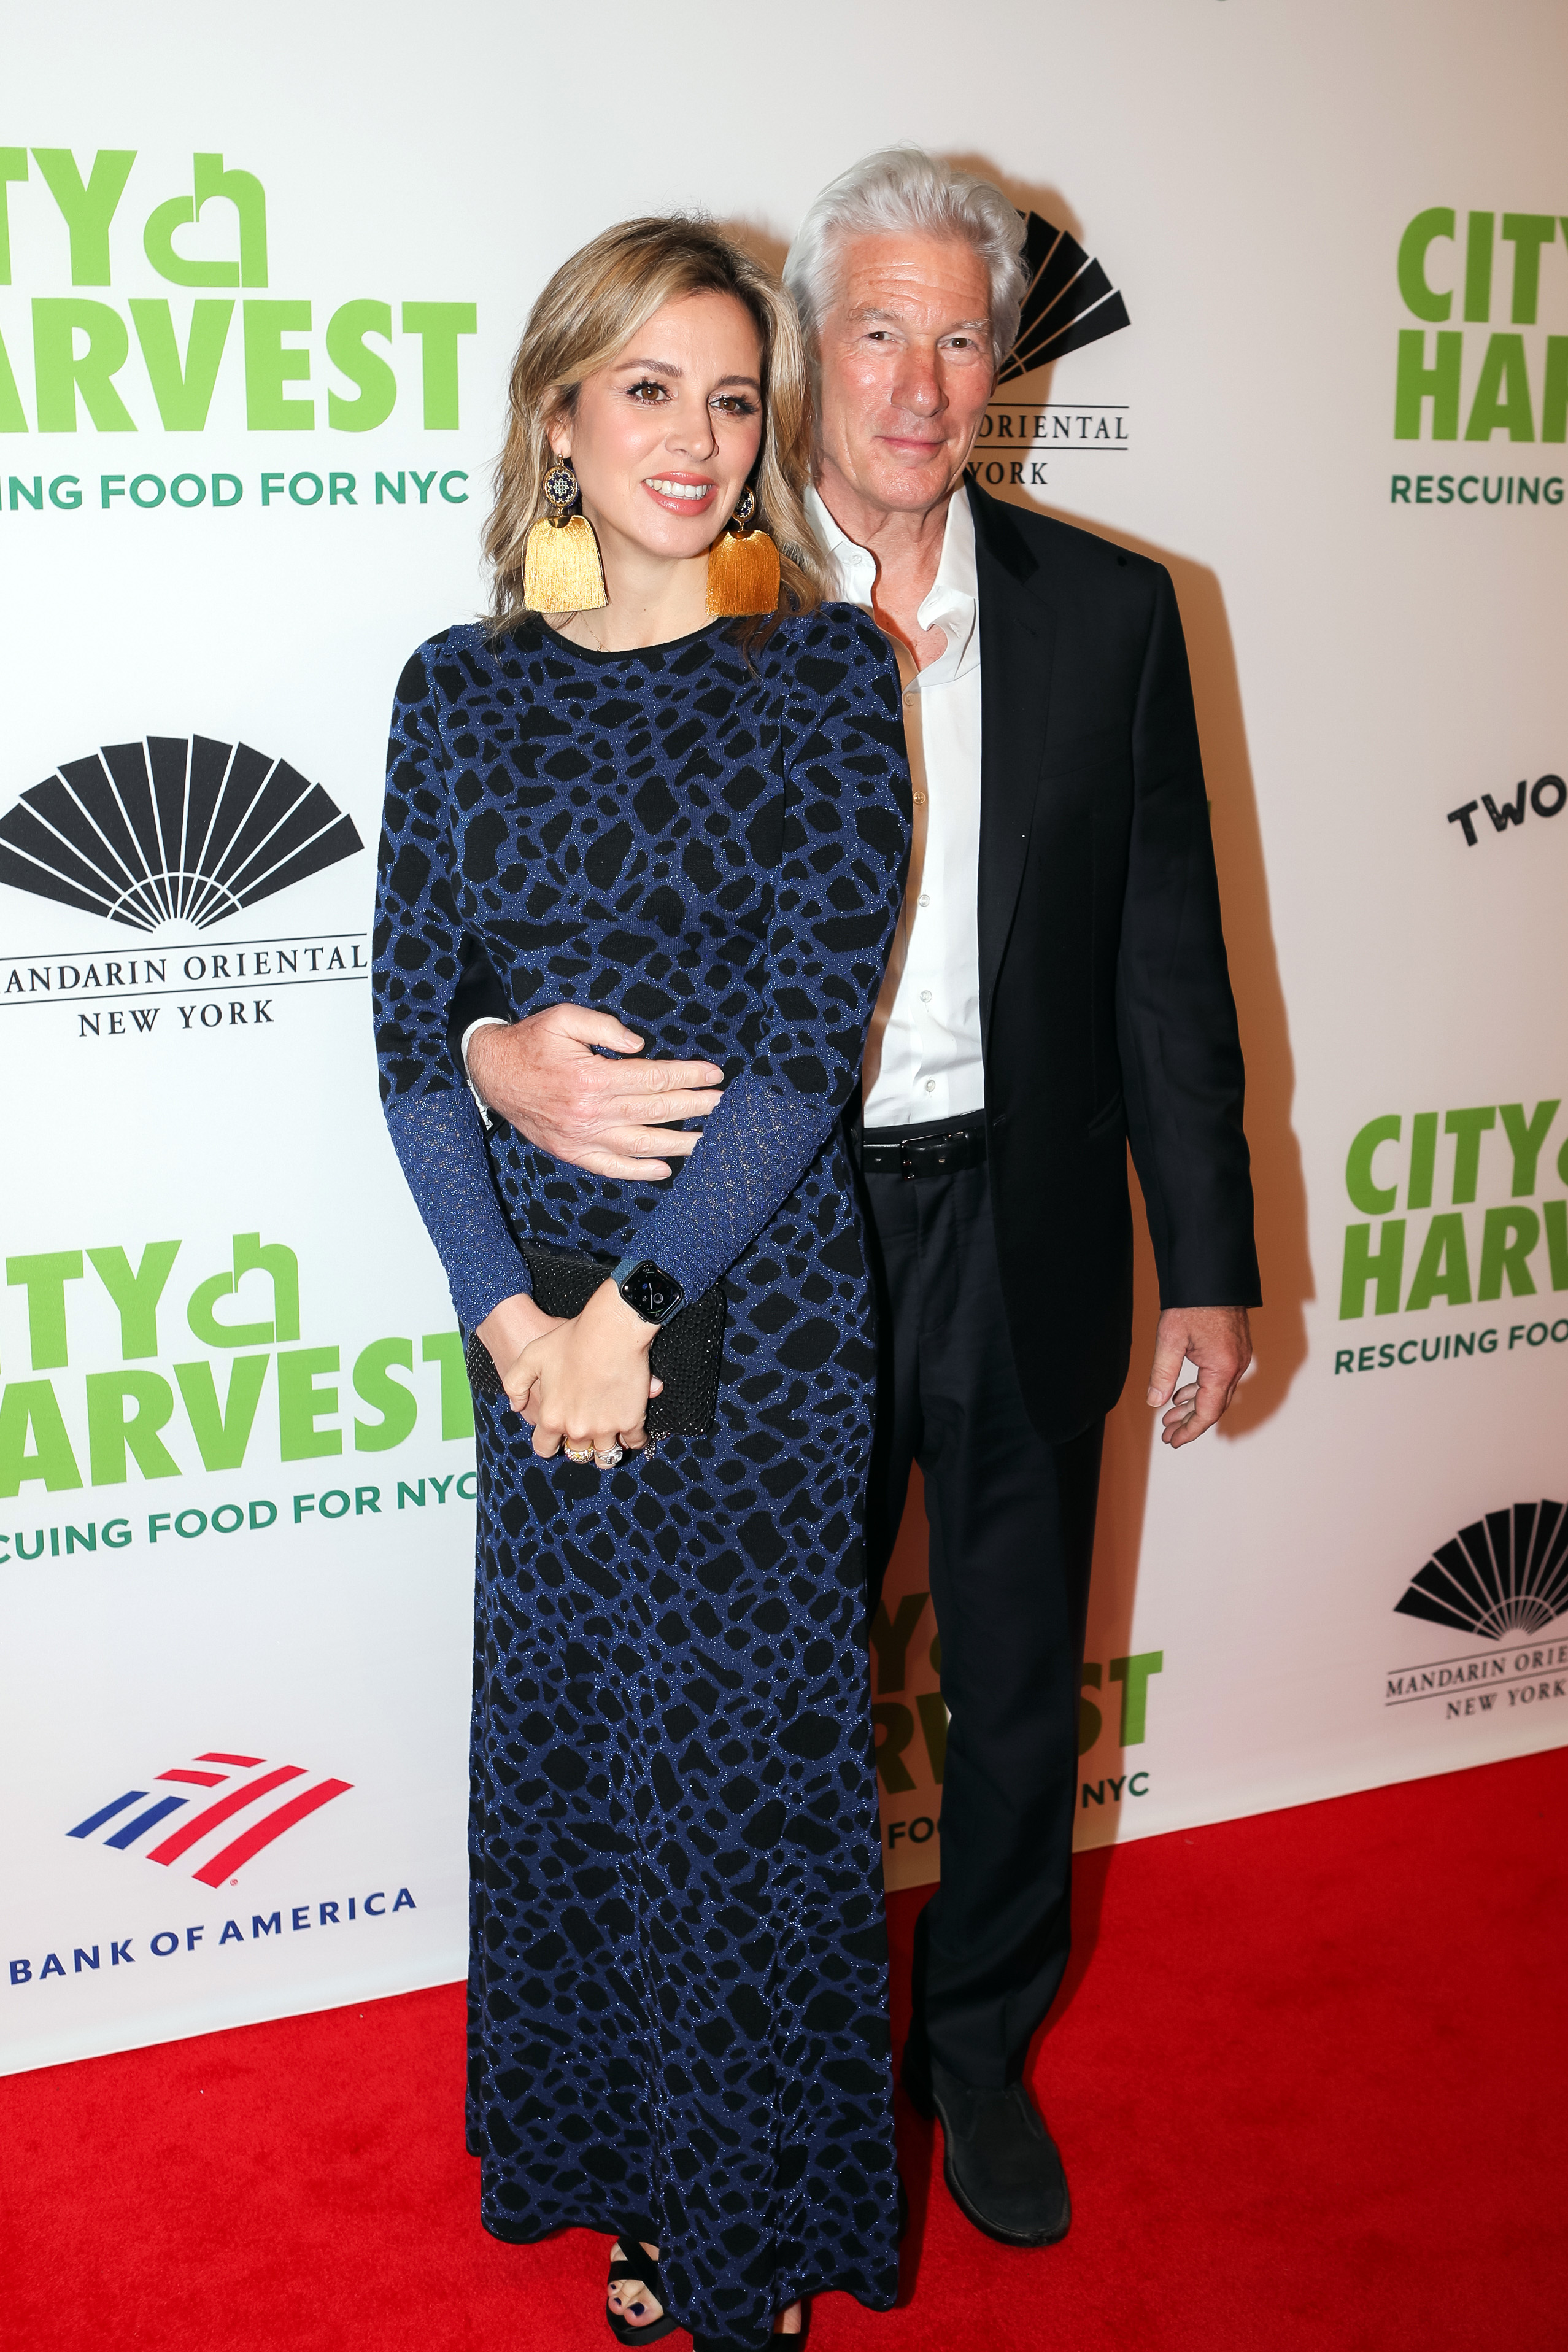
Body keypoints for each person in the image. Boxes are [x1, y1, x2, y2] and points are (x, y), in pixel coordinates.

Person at [454, 151, 1260, 2257]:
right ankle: (734, 2095)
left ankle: (973, 2053)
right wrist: (477, 1050)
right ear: (809, 354)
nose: (916, 380)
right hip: (754, 1241)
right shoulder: (683, 575)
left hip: (1020, 1217)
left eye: (962, 334)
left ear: (1008, 366)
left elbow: (1165, 960)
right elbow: (497, 890)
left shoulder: (1110, 610)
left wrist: (1218, 1261)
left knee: (1012, 1683)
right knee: (742, 1716)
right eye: (876, 331)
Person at [373, 215, 912, 2351]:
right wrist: (513, 1322)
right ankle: (617, 2167)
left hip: (748, 1323)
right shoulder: (458, 690)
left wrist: (626, 1319)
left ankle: (749, 2232)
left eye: (730, 394)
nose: (695, 440)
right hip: (529, 1338)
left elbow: (802, 1053)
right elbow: (416, 1039)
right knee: (584, 1770)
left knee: (739, 1794)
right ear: (557, 423)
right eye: (646, 391)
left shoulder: (815, 674)